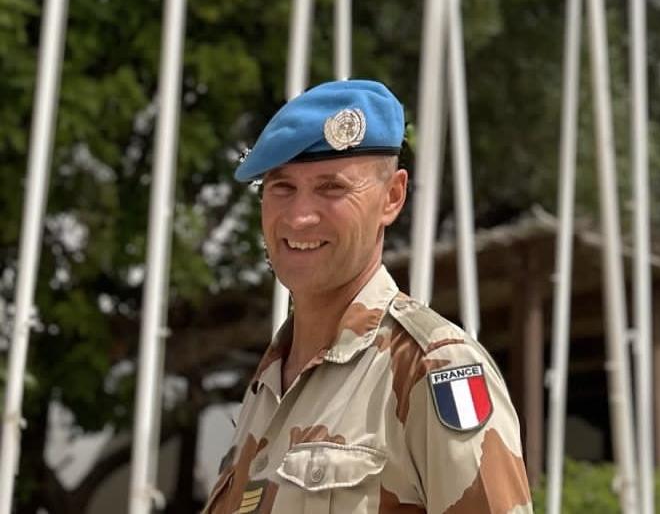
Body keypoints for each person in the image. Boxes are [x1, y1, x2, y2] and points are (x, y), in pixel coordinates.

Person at [203, 79, 532, 514]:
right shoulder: (269, 383)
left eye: (331, 188)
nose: (299, 217)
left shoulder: (432, 368)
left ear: (392, 197)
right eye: (282, 187)